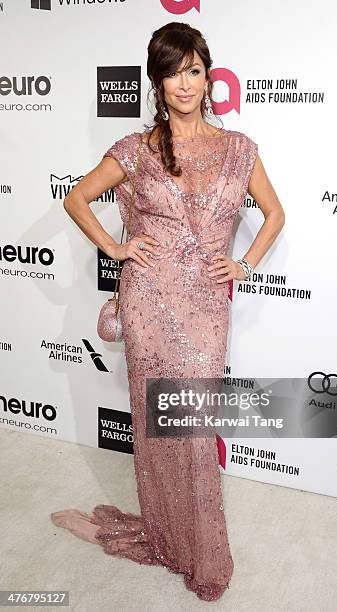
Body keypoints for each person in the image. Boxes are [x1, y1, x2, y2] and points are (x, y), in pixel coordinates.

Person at [50, 21, 285, 602]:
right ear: (158, 81)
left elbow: (275, 213)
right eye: (174, 71)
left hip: (205, 304)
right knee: (158, 427)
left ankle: (198, 545)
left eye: (195, 69)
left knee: (193, 424)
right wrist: (114, 247)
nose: (186, 82)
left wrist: (246, 262)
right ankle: (166, 534)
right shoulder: (136, 151)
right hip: (149, 298)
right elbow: (76, 197)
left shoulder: (238, 150)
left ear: (209, 78)